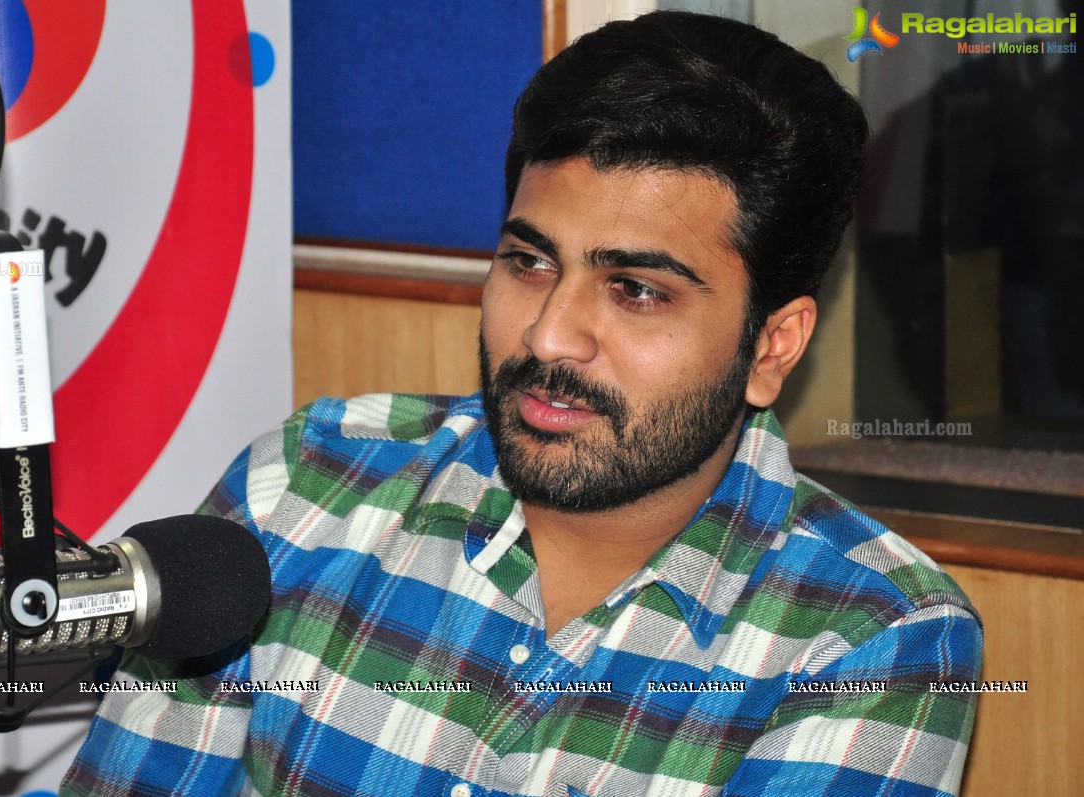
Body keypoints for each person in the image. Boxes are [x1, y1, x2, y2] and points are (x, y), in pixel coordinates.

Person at [62, 10, 982, 797]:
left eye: (636, 290)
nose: (548, 335)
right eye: (529, 261)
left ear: (770, 346)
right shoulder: (303, 485)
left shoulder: (868, 641)